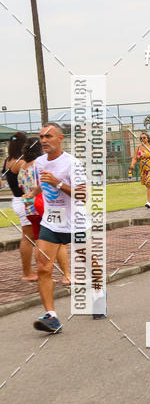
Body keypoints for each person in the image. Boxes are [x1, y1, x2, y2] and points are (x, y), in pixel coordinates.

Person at [32, 123, 85, 334]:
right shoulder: (38, 162)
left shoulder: (72, 163)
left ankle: (98, 295)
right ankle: (52, 317)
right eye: (41, 136)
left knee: (92, 265)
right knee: (43, 267)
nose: (44, 140)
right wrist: (31, 191)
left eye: (48, 136)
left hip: (77, 221)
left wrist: (57, 183)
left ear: (60, 138)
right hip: (51, 222)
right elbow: (40, 184)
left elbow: (83, 195)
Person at [2, 131, 39, 281]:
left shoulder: (7, 160)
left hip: (17, 200)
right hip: (25, 201)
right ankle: (28, 272)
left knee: (29, 237)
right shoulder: (22, 162)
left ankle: (29, 271)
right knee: (30, 238)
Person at [18, 137, 44, 242]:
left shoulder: (22, 167)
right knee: (55, 242)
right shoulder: (39, 164)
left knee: (38, 239)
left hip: (30, 209)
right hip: (43, 207)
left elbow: (21, 186)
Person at [129, 132, 150, 208]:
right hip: (143, 169)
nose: (142, 139)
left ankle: (148, 202)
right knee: (148, 185)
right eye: (141, 138)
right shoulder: (138, 148)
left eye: (144, 137)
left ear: (148, 138)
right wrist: (132, 164)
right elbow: (135, 158)